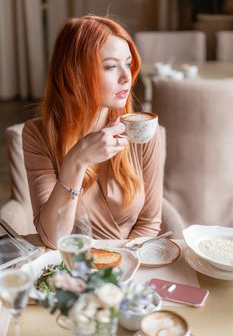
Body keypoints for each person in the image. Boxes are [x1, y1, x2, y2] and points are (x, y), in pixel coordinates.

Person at [23, 15, 163, 249]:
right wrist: (76, 161)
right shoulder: (37, 135)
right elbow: (53, 239)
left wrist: (119, 268)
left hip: (130, 267)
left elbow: (149, 223)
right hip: (72, 268)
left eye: (128, 63)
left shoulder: (141, 132)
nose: (126, 77)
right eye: (110, 66)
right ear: (74, 73)